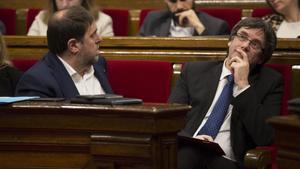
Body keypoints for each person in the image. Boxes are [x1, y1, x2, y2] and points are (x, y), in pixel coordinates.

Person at [169, 17, 283, 169]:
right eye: (242, 36)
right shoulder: (194, 71)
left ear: (262, 58)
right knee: (188, 153)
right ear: (230, 40)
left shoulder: (271, 82)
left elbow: (265, 136)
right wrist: (192, 140)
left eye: (254, 44)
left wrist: (243, 85)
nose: (245, 46)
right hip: (189, 149)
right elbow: (171, 119)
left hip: (228, 161)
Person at [16, 6, 113, 98]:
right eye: (93, 35)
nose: (99, 39)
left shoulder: (99, 64)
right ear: (73, 46)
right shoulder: (37, 82)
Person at [139, 0, 229, 37]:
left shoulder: (217, 26)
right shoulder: (153, 20)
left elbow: (217, 57)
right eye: (173, 0)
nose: (179, 6)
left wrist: (198, 26)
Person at [27, 0, 114, 37]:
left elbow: (105, 58)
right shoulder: (41, 18)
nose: (64, 5)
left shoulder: (103, 21)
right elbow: (28, 50)